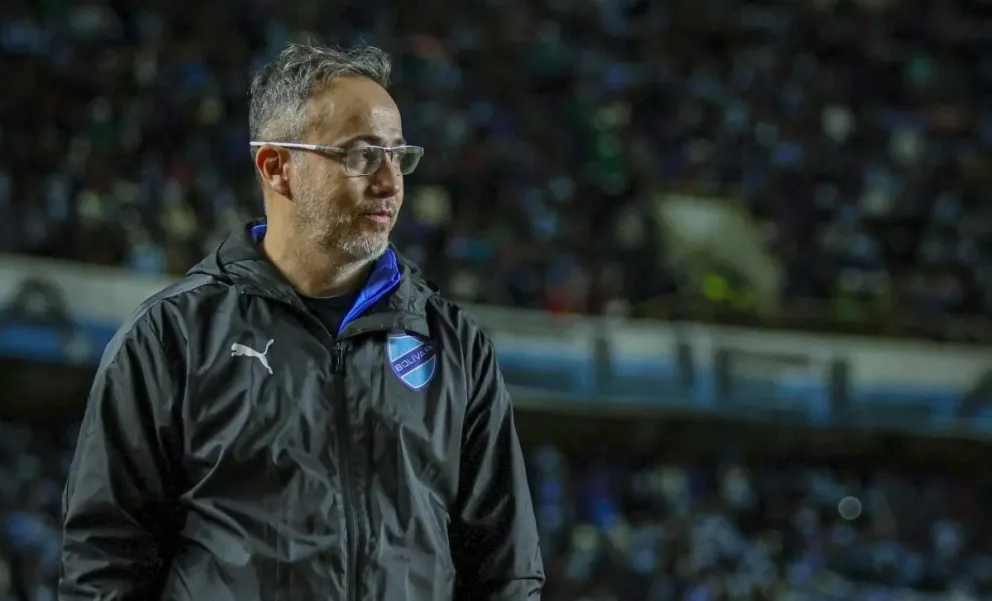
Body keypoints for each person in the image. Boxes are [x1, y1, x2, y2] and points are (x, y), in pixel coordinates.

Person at [59, 42, 545, 601]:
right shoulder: (171, 337)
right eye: (362, 155)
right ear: (276, 167)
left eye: (398, 155)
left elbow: (506, 571)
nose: (391, 183)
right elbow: (103, 565)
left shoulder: (454, 345)